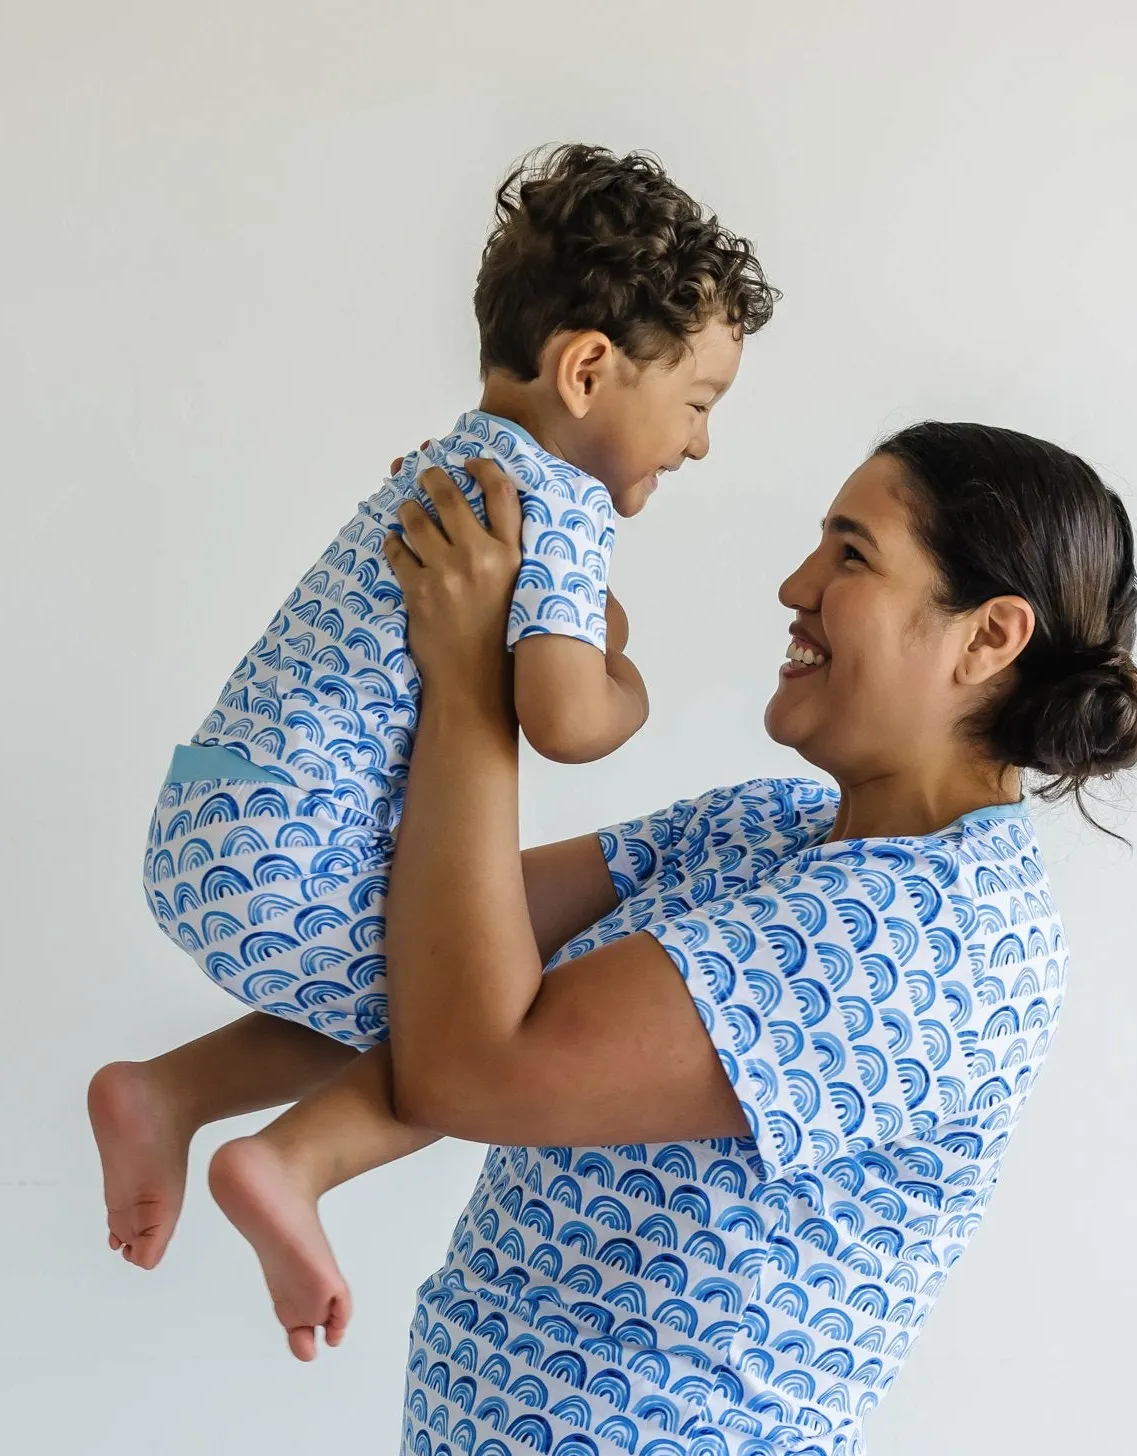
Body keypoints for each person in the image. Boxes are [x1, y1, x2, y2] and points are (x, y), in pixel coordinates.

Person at [347, 423, 1137, 1456]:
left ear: (987, 636)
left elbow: (470, 1056)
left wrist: (479, 687)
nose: (792, 585)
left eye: (851, 557)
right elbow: (423, 943)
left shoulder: (935, 931)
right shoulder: (767, 840)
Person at [86, 144, 776, 1353]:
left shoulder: (443, 465)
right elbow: (565, 718)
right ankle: (289, 1160)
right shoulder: (549, 504)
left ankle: (172, 1089)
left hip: (215, 808)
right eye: (699, 403)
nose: (700, 444)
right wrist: (628, 677)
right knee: (497, 1001)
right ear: (586, 370)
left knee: (422, 965)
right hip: (288, 860)